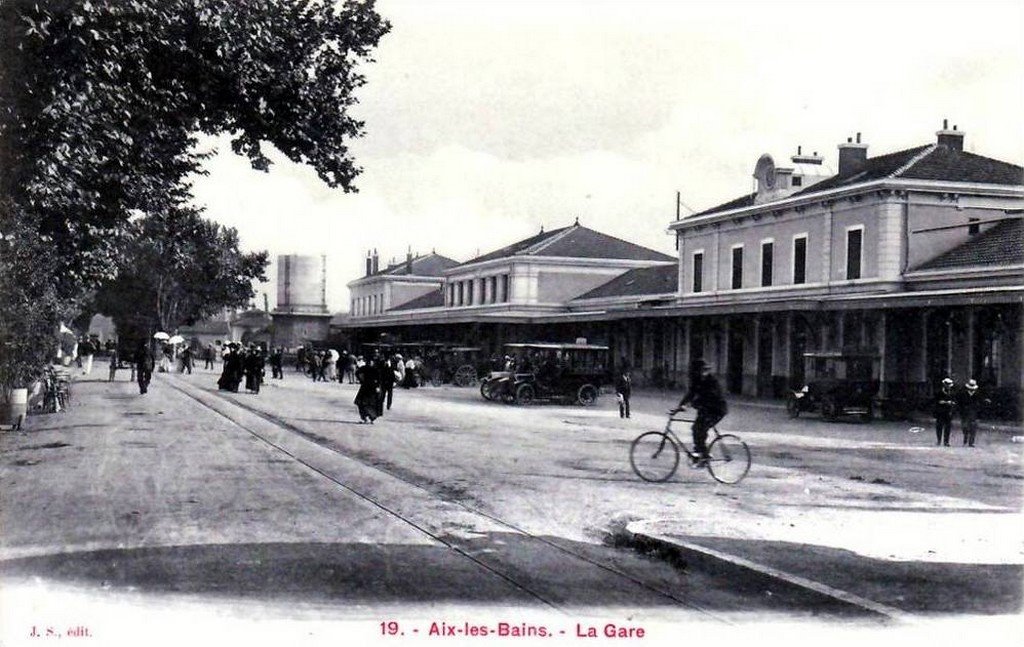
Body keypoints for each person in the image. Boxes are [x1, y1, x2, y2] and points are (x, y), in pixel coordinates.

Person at [672, 359, 727, 463]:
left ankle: (705, 455)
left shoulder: (712, 381)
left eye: (706, 370)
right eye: (702, 370)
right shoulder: (696, 380)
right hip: (705, 409)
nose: (704, 373)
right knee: (696, 429)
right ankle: (699, 454)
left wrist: (692, 404)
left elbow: (709, 396)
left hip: (717, 410)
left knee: (700, 429)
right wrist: (680, 407)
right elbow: (690, 394)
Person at [957, 379, 989, 448]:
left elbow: (981, 403)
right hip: (965, 413)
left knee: (973, 428)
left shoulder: (977, 393)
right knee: (965, 427)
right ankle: (965, 439)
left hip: (974, 412)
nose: (971, 390)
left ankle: (971, 442)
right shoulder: (963, 393)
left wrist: (984, 402)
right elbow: (959, 403)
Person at [354, 357, 381, 423]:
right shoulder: (375, 369)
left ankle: (367, 417)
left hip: (367, 387)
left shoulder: (367, 368)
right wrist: (377, 386)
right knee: (369, 403)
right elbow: (379, 379)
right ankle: (370, 417)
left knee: (363, 402)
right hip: (370, 387)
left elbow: (357, 373)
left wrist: (361, 380)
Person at [934, 377, 957, 447]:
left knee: (948, 427)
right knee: (939, 426)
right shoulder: (939, 392)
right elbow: (936, 401)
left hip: (948, 411)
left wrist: (952, 403)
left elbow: (955, 401)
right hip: (940, 411)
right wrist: (944, 402)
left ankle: (946, 441)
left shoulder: (952, 393)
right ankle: (939, 440)